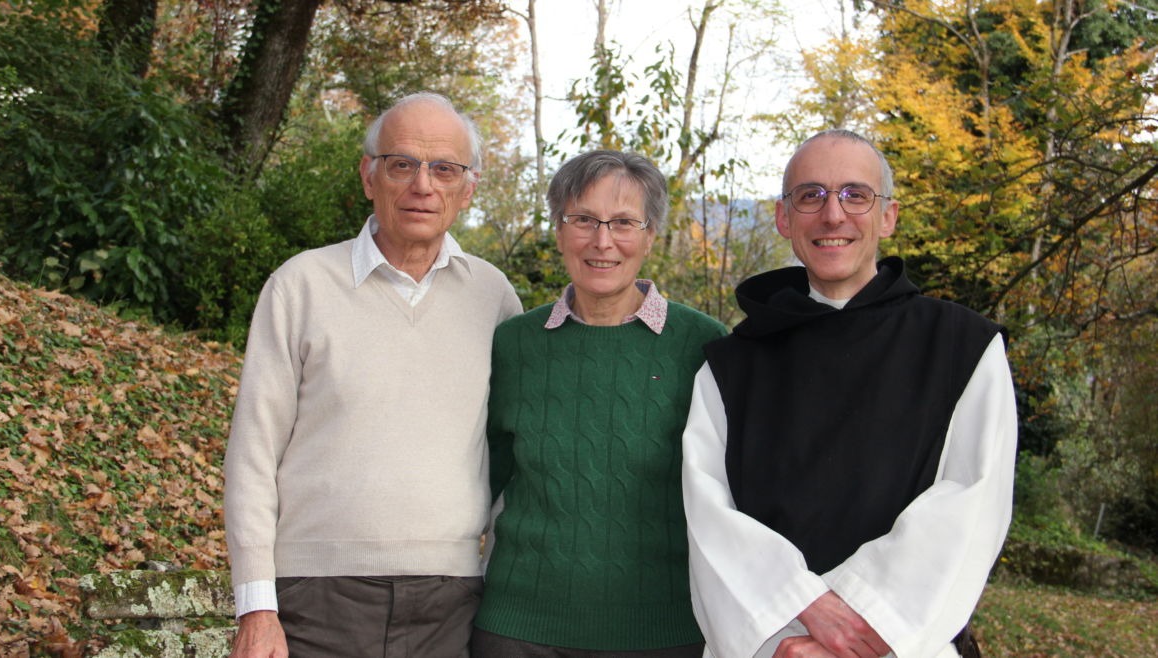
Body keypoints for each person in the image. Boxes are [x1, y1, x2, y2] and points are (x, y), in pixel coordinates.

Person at [682, 129, 1017, 658]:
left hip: (901, 645)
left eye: (855, 194)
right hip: (774, 647)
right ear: (783, 218)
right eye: (810, 195)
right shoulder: (730, 365)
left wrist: (858, 627)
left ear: (888, 216)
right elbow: (709, 514)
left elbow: (972, 501)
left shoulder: (963, 347)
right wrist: (799, 612)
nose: (833, 214)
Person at [223, 91, 523, 658]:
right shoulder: (301, 286)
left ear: (468, 189)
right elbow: (252, 455)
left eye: (444, 169)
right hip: (313, 597)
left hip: (452, 602)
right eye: (401, 164)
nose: (422, 185)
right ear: (368, 176)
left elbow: (515, 453)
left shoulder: (494, 298)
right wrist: (257, 608)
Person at [471, 150, 727, 657]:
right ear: (559, 231)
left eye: (624, 223)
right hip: (518, 629)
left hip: (662, 632)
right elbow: (480, 480)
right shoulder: (514, 344)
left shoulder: (703, 345)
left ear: (650, 236)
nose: (602, 241)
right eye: (583, 219)